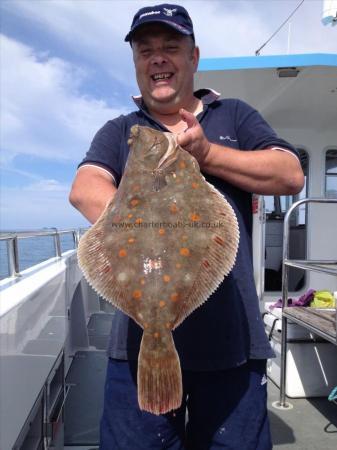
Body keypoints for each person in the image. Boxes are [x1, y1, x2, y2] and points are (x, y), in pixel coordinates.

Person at [69, 4, 304, 449]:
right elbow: (85, 187)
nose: (158, 58)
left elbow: (290, 174)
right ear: (137, 63)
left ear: (193, 57)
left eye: (170, 48)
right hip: (138, 346)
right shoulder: (122, 130)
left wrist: (208, 155)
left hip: (232, 343)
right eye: (146, 50)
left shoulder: (233, 115)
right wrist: (142, 225)